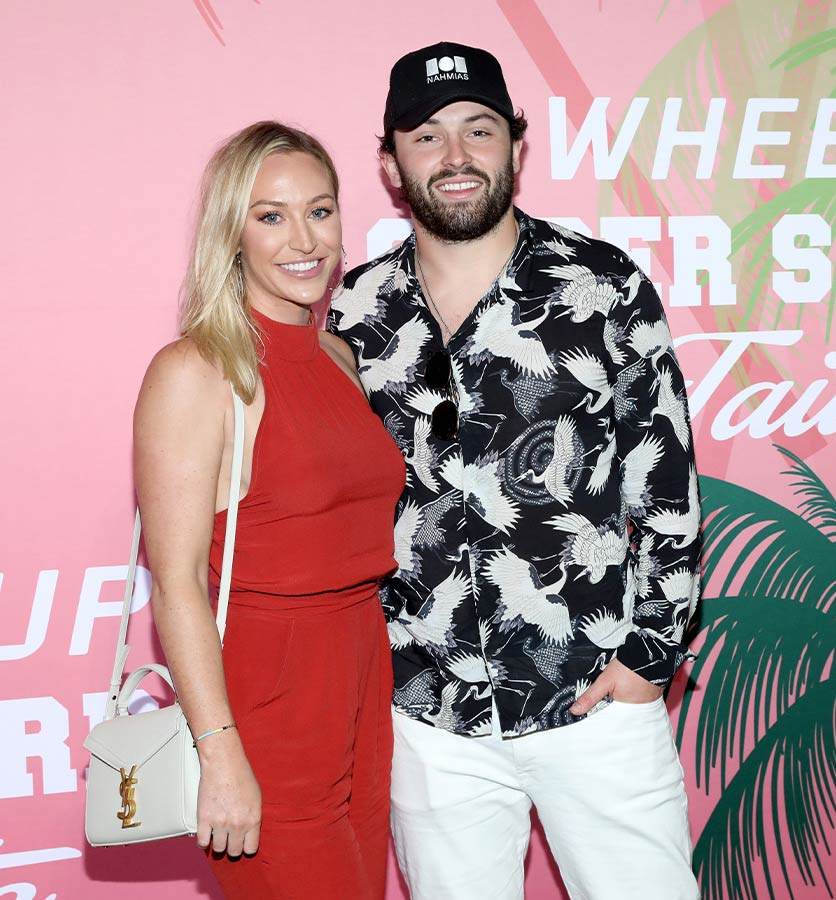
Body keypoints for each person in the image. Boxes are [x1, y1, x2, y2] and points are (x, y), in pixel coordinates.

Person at [328, 42, 701, 900]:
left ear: (517, 148)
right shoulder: (353, 313)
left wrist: (647, 660)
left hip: (595, 700)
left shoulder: (602, 288)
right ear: (390, 163)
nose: (455, 157)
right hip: (430, 720)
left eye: (479, 130)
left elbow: (667, 486)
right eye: (427, 136)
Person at [134, 121, 405, 899]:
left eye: (320, 211)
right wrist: (218, 751)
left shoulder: (336, 356)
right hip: (267, 690)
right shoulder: (197, 369)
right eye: (271, 215)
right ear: (233, 232)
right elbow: (178, 579)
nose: (304, 240)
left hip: (360, 669)